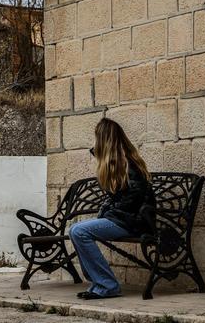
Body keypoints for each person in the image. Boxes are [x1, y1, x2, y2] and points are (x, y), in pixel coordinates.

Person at [68, 118, 156, 299]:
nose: (95, 143)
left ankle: (107, 285)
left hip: (134, 222)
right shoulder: (116, 162)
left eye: (97, 139)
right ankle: (99, 283)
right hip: (123, 219)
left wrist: (109, 211)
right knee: (75, 229)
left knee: (79, 231)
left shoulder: (129, 164)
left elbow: (133, 200)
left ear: (104, 139)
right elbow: (117, 198)